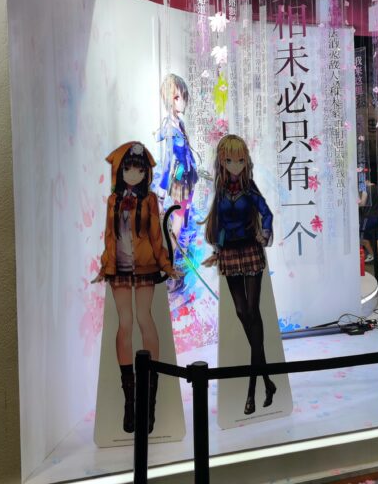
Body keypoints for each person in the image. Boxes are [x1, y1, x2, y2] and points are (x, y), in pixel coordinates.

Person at [92, 141, 181, 433]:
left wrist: (166, 265)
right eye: (128, 168)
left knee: (144, 319)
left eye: (139, 170)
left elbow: (156, 236)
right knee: (125, 324)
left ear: (146, 173)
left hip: (144, 267)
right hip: (119, 268)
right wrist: (105, 266)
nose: (133, 174)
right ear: (119, 171)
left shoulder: (150, 200)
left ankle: (149, 403)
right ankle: (129, 403)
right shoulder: (112, 201)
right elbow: (109, 237)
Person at [201, 135, 276, 416]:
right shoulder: (221, 191)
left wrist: (264, 233)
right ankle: (267, 380)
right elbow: (219, 224)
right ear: (222, 161)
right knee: (242, 312)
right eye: (229, 160)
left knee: (252, 311)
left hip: (250, 250)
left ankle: (252, 390)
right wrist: (217, 250)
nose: (235, 165)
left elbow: (266, 213)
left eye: (240, 160)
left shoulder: (249, 188)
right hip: (230, 253)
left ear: (246, 161)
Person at [155, 74, 199, 243]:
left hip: (189, 175)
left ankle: (182, 243)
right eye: (176, 97)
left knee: (184, 214)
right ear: (168, 99)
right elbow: (167, 163)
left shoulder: (180, 123)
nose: (182, 102)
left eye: (183, 97)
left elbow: (187, 151)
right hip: (180, 178)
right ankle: (172, 253)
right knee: (178, 218)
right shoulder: (169, 129)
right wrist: (160, 196)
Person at [359, 177, 378, 262]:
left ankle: (372, 255)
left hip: (368, 216)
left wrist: (357, 202)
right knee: (377, 238)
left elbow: (362, 203)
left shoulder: (366, 189)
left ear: (366, 181)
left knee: (361, 237)